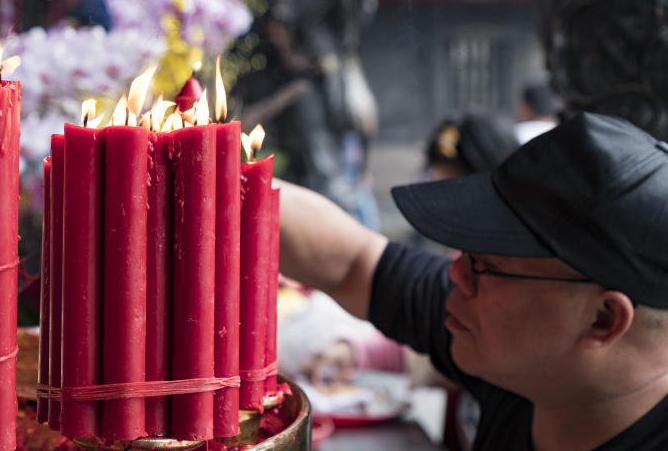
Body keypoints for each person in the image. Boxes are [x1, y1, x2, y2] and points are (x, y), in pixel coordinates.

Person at [278, 112, 668, 450]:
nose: (456, 273)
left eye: (486, 265)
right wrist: (227, 174)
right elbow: (354, 263)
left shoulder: (518, 353)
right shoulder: (526, 364)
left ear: (603, 319)